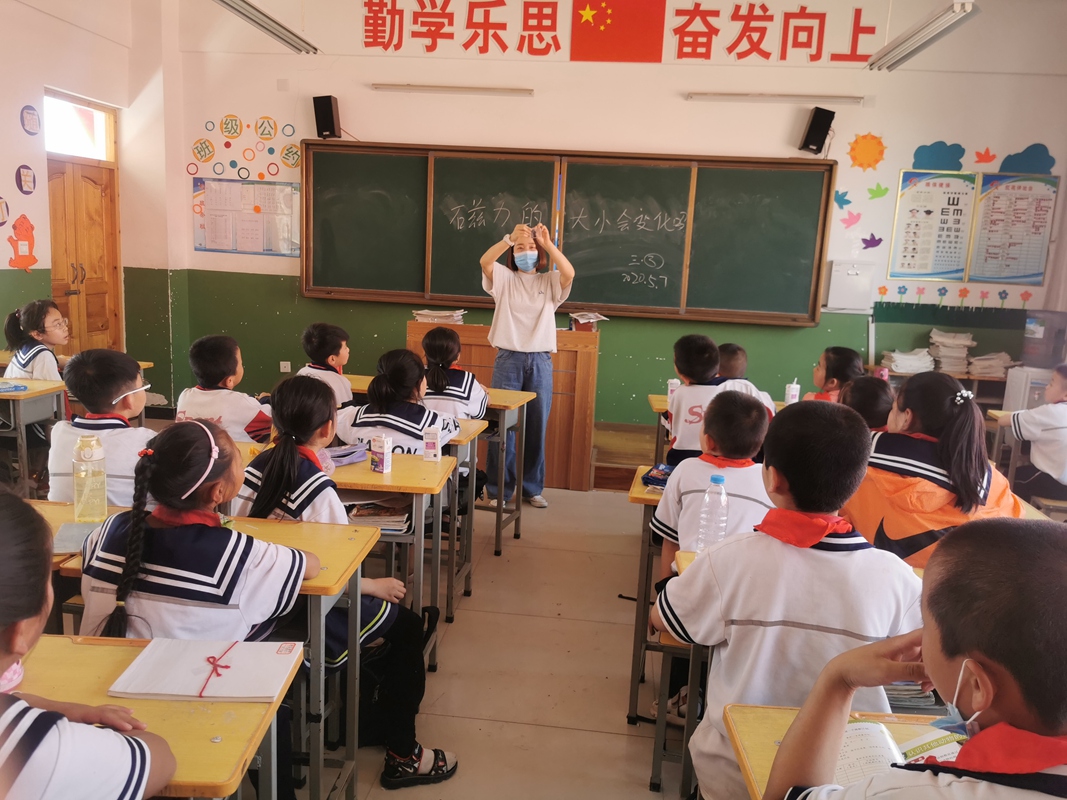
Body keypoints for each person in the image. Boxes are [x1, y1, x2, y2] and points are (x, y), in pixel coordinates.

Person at [650, 401, 923, 800]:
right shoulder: (896, 576)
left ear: (772, 477)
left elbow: (665, 620)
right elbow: (924, 657)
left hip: (733, 774)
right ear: (859, 479)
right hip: (845, 778)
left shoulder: (730, 559)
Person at [231, 375, 459, 789]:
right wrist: (374, 585)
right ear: (327, 428)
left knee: (389, 623)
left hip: (256, 602)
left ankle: (368, 717)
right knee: (408, 627)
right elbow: (338, 570)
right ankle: (403, 754)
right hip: (302, 609)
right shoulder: (316, 487)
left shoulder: (253, 467)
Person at [764, 517, 1067, 800]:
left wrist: (838, 678)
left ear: (976, 685)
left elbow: (788, 794)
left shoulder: (912, 792)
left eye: (925, 623)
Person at [0, 490, 176, 799]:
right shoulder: (33, 748)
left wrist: (64, 709)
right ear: (21, 630)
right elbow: (158, 758)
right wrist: (65, 728)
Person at [79, 420, 318, 641]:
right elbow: (311, 565)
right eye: (238, 461)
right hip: (193, 673)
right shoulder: (238, 555)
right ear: (217, 492)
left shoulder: (108, 532)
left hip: (100, 670)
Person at [841, 371, 1022, 568]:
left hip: (891, 579)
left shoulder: (860, 471)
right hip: (979, 577)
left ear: (907, 418)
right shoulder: (993, 480)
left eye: (893, 408)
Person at [478, 222, 575, 508]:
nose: (526, 252)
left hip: (541, 360)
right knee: (502, 427)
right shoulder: (505, 278)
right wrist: (509, 239)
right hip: (508, 358)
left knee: (536, 426)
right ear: (512, 252)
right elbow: (485, 262)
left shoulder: (550, 281)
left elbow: (569, 273)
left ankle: (532, 488)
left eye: (531, 248)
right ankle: (499, 490)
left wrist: (547, 243)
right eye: (521, 248)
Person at [652, 391, 772, 584]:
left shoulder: (685, 469)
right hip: (743, 586)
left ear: (709, 441)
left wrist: (663, 590)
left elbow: (670, 539)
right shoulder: (767, 480)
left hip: (689, 579)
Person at [48, 349, 154, 506]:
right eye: (142, 386)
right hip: (126, 521)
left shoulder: (59, 432)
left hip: (62, 520)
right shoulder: (148, 441)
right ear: (128, 400)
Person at [667, 334, 775, 466]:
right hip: (739, 459)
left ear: (681, 374)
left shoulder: (679, 393)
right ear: (718, 365)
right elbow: (768, 420)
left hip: (682, 459)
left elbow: (672, 428)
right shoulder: (744, 387)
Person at [336, 349, 459, 454]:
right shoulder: (431, 424)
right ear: (418, 384)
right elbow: (453, 425)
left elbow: (338, 418)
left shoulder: (352, 418)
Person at [176, 334, 272, 443]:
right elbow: (275, 420)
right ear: (229, 381)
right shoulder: (239, 402)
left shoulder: (185, 396)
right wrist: (265, 399)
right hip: (228, 454)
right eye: (241, 363)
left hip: (189, 452)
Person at [997, 362, 1067, 502]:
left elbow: (1003, 421)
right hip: (1061, 482)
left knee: (1004, 478)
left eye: (1051, 383)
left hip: (1056, 484)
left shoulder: (1049, 412)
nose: (1046, 387)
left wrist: (1025, 413)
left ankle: (1018, 514)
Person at [421, 326, 488, 421]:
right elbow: (479, 413)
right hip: (458, 430)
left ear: (425, 354)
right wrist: (482, 392)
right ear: (457, 356)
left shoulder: (417, 379)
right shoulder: (467, 381)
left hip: (424, 430)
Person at [3, 299, 68, 381]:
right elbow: (56, 388)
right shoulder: (44, 356)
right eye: (57, 324)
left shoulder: (27, 346)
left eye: (63, 321)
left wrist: (60, 361)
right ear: (37, 334)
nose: (65, 328)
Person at [296, 322, 353, 408]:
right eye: (345, 347)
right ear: (332, 359)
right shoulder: (340, 383)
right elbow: (345, 411)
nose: (348, 350)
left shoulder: (301, 373)